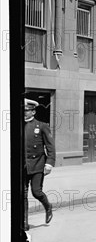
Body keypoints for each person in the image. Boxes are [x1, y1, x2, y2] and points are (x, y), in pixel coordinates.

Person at [23, 98, 55, 230]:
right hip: (23, 166)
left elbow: (50, 146)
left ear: (33, 112)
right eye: (23, 110)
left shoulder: (41, 126)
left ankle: (48, 206)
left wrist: (49, 164)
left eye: (27, 111)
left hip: (38, 164)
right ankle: (24, 222)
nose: (24, 113)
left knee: (36, 192)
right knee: (22, 195)